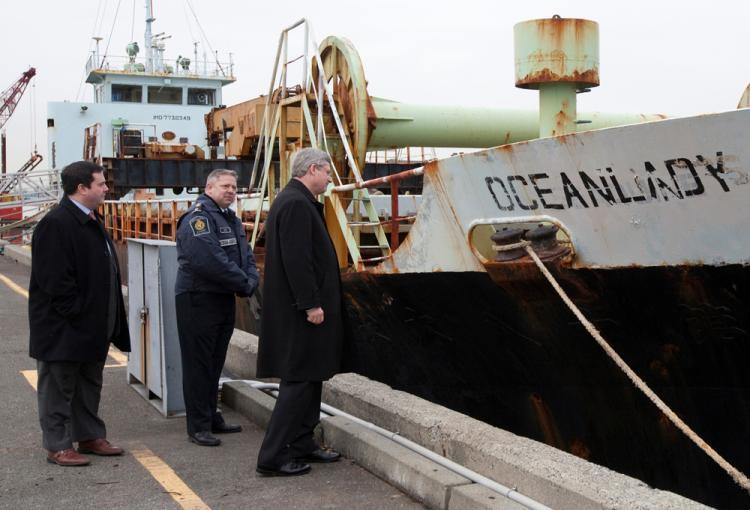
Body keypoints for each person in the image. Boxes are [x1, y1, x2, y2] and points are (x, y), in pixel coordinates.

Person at [29, 160, 130, 467]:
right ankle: (58, 445)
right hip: (64, 328)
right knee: (58, 388)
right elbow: (55, 281)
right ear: (82, 188)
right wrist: (79, 315)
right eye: (100, 184)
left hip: (91, 326)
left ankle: (89, 436)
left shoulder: (89, 219)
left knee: (89, 385)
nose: (105, 189)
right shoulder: (57, 223)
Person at [256, 148, 346, 477]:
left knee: (311, 376)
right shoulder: (295, 204)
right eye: (327, 172)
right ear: (312, 169)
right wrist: (311, 304)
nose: (329, 179)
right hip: (302, 312)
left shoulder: (296, 201)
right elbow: (298, 260)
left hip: (303, 310)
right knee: (297, 382)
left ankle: (303, 440)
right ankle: (272, 456)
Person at [175, 169, 259, 447]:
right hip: (198, 298)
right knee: (199, 364)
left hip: (221, 297)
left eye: (234, 187)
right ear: (209, 187)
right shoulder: (198, 219)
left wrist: (250, 278)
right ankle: (197, 426)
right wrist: (244, 283)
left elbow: (245, 254)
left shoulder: (229, 219)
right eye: (225, 186)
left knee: (214, 362)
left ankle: (211, 416)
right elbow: (207, 260)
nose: (231, 191)